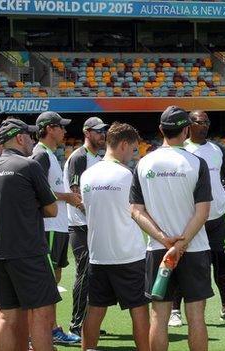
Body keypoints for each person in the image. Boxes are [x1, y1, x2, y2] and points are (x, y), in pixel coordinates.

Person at [130, 106, 213, 351]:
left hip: (158, 249)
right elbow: (203, 212)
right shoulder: (197, 163)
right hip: (194, 248)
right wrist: (181, 244)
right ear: (186, 130)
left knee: (159, 317)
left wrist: (166, 240)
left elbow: (135, 210)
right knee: (196, 316)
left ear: (161, 130)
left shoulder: (144, 163)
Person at [0, 118, 61, 351]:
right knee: (41, 314)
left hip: (0, 252)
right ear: (20, 138)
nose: (32, 140)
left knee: (7, 317)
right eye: (29, 136)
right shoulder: (28, 166)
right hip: (28, 251)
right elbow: (52, 208)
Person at [167, 110, 225, 327]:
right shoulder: (182, 151)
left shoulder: (218, 150)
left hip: (216, 219)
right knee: (183, 264)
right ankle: (175, 310)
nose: (204, 125)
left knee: (222, 264)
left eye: (207, 122)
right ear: (188, 125)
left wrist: (223, 201)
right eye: (199, 122)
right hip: (191, 221)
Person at [80, 122, 150, 351]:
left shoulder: (87, 176)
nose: (133, 155)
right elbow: (142, 212)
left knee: (95, 309)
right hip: (129, 255)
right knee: (139, 309)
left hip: (98, 255)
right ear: (122, 145)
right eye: (132, 150)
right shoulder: (127, 175)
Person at [30, 111, 82, 344]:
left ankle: (50, 329)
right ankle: (46, 331)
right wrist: (68, 197)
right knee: (47, 283)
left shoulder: (49, 154)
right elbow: (35, 190)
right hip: (49, 226)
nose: (64, 131)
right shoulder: (40, 155)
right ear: (50, 129)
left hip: (58, 226)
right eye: (60, 127)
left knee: (54, 279)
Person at [64, 116, 108, 337]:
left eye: (104, 131)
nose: (103, 134)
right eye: (98, 131)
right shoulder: (79, 158)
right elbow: (75, 194)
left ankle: (90, 323)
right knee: (84, 273)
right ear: (87, 132)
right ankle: (77, 324)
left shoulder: (96, 158)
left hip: (92, 225)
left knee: (95, 274)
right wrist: (94, 215)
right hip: (81, 226)